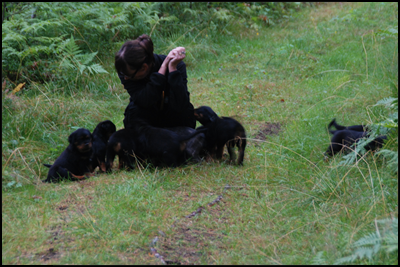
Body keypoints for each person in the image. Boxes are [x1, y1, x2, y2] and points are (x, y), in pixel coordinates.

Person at [115, 34, 196, 129]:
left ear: (144, 67)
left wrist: (172, 69)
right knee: (134, 112)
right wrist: (163, 68)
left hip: (173, 116)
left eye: (128, 76)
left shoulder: (178, 66)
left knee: (186, 113)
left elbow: (181, 103)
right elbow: (145, 100)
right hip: (148, 115)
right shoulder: (125, 72)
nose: (125, 79)